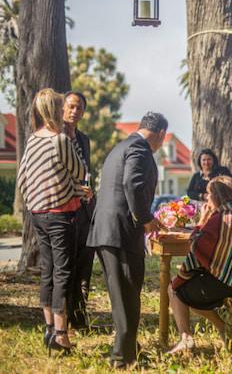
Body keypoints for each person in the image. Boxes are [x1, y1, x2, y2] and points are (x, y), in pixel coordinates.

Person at [87, 112, 165, 368]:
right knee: (127, 293)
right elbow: (132, 183)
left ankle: (129, 347)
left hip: (106, 229)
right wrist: (144, 217)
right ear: (161, 135)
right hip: (120, 230)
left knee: (122, 293)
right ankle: (122, 358)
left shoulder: (122, 146)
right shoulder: (140, 150)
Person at [17, 89, 88, 355]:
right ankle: (61, 334)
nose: (64, 111)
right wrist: (74, 190)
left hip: (38, 215)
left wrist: (38, 201)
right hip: (61, 215)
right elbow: (79, 171)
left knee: (48, 270)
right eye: (61, 107)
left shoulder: (33, 140)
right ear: (54, 110)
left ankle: (49, 329)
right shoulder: (61, 140)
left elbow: (23, 179)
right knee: (63, 272)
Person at [167, 176, 232, 354]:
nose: (206, 198)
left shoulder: (218, 219)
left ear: (216, 196)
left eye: (208, 194)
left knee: (175, 288)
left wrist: (202, 220)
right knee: (188, 287)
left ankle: (186, 337)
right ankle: (224, 328)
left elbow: (196, 246)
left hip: (222, 283)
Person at [63, 91, 95, 330]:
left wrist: (89, 191)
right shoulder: (55, 136)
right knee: (68, 265)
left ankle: (80, 316)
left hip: (85, 209)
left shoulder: (84, 139)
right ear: (63, 108)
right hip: (63, 208)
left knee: (85, 262)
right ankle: (64, 316)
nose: (75, 112)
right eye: (71, 106)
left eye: (79, 108)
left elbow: (86, 171)